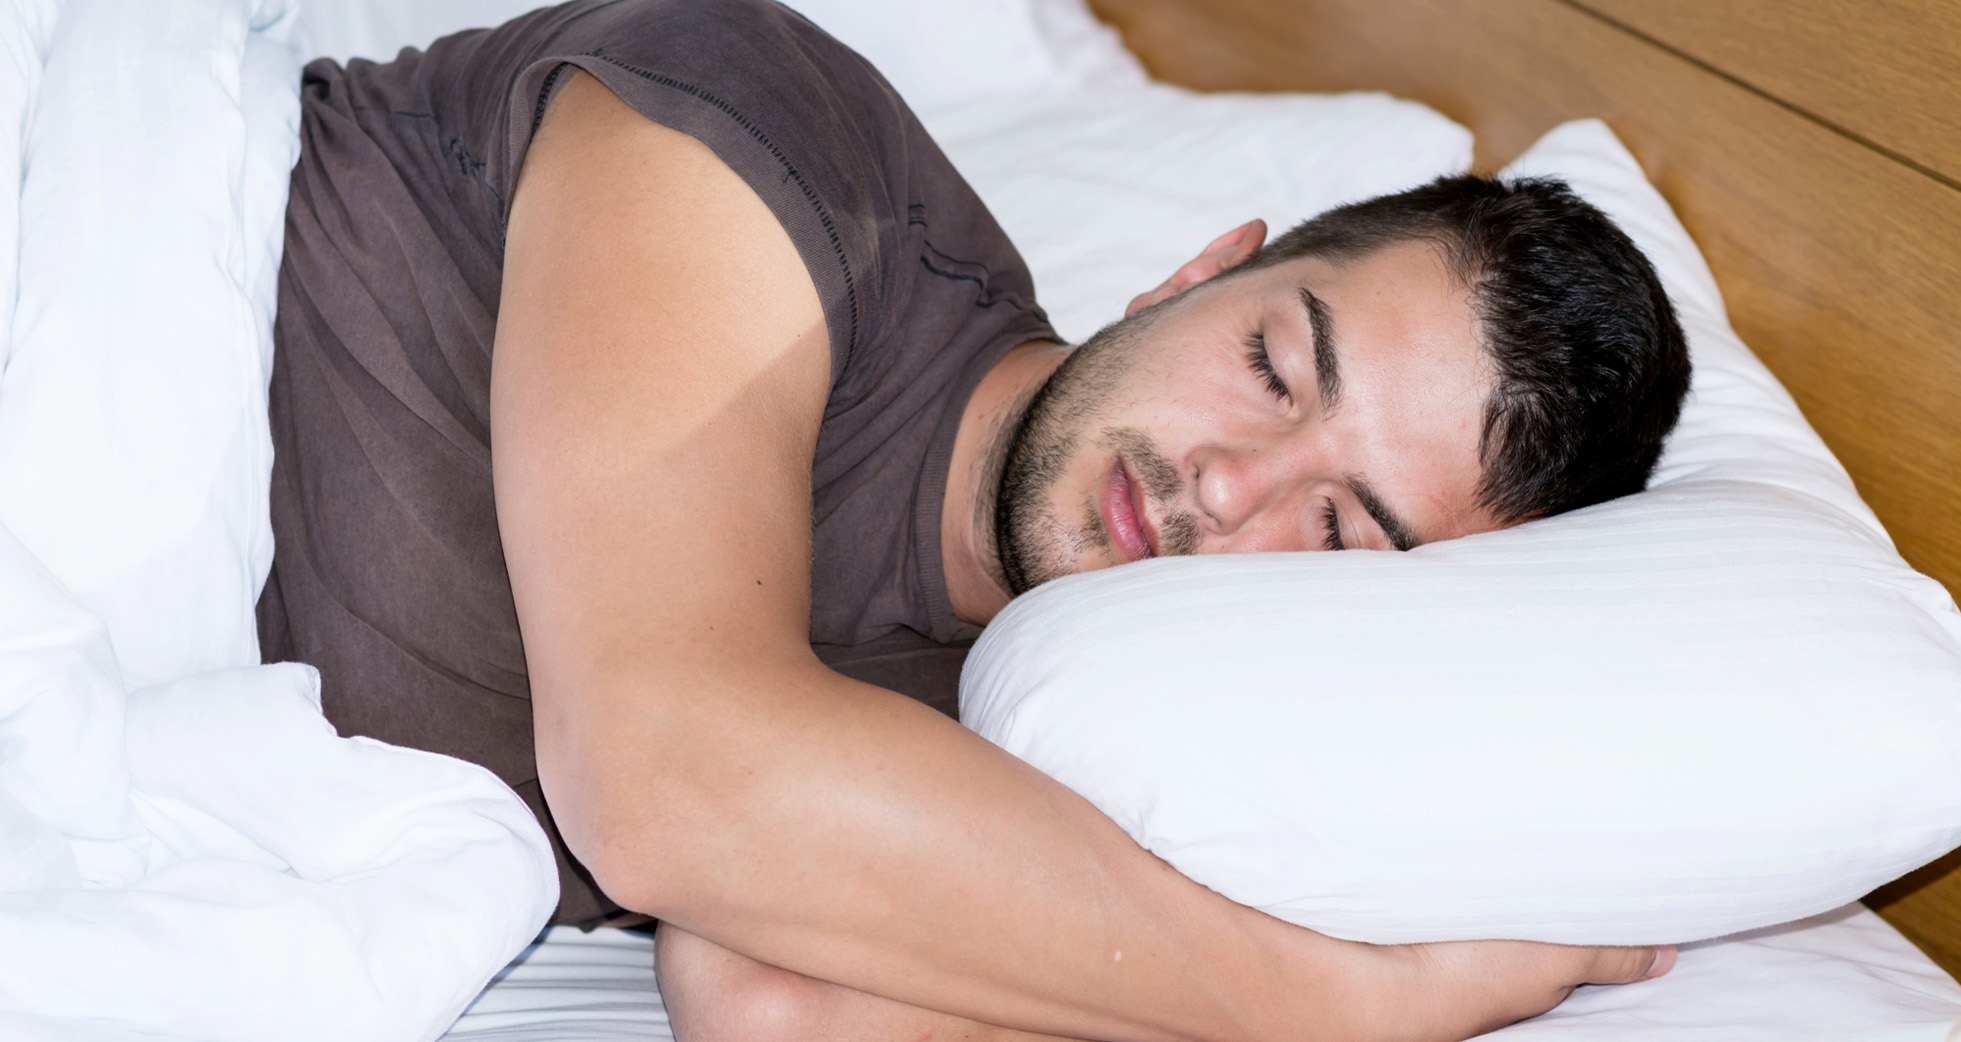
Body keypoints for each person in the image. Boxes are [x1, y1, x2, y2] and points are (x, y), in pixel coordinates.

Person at [255, 0, 1691, 1039]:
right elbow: (668, 777)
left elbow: (783, 1007)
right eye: (1271, 366)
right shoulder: (777, 132)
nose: (1226, 481)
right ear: (1200, 267)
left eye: (1337, 531)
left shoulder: (1066, 729)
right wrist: (1349, 1002)